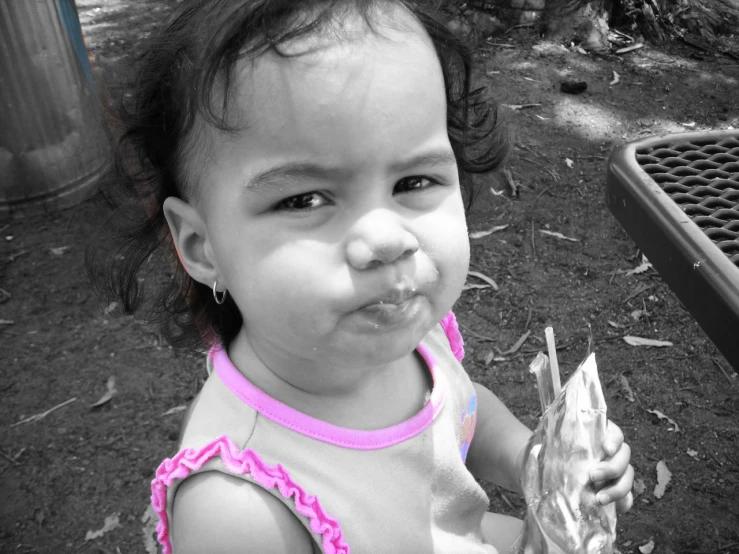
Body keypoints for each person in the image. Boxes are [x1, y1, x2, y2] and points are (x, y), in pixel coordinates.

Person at [93, 0, 634, 552]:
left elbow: (461, 416)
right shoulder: (238, 510)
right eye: (304, 198)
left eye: (414, 182)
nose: (387, 240)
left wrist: (534, 458)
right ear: (202, 246)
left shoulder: (403, 334)